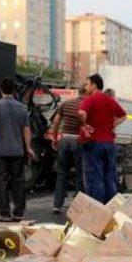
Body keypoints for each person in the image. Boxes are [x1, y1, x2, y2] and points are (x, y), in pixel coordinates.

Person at [0, 78, 35, 221]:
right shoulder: (22, 108)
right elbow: (26, 129)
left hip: (0, 151)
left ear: (1, 90)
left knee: (2, 182)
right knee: (18, 181)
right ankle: (18, 213)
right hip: (17, 151)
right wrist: (28, 147)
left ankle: (4, 213)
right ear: (14, 90)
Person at [78, 74, 126, 203]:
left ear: (94, 85)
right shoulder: (110, 100)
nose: (86, 87)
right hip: (109, 144)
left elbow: (81, 113)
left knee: (94, 178)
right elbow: (123, 115)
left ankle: (97, 210)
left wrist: (85, 124)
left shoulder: (90, 99)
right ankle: (111, 207)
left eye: (87, 84)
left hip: (94, 143)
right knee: (109, 177)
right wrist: (112, 125)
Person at [51, 85, 87, 215]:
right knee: (79, 173)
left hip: (64, 139)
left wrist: (55, 139)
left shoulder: (66, 104)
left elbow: (56, 122)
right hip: (78, 140)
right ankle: (78, 208)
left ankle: (57, 205)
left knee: (62, 173)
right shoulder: (85, 105)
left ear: (78, 92)